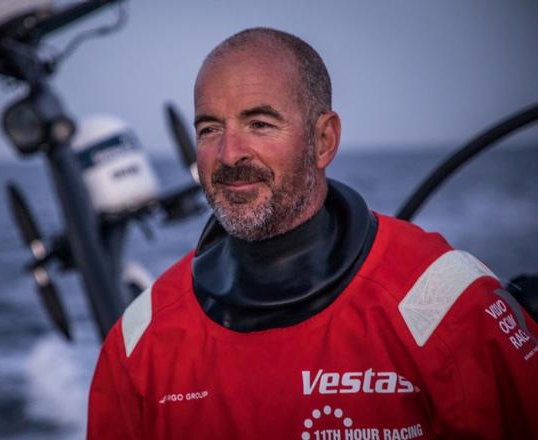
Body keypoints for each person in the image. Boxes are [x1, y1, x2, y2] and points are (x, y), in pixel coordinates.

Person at [87, 27, 538, 439]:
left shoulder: (442, 304)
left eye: (259, 124)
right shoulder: (144, 338)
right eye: (209, 129)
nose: (229, 153)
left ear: (323, 141)